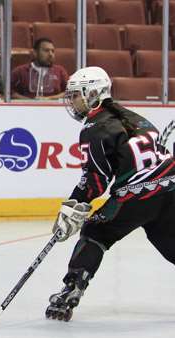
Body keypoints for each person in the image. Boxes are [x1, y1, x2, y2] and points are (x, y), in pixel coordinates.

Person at [45, 66, 175, 322]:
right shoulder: (136, 117)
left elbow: (95, 181)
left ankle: (71, 289)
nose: (71, 101)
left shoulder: (94, 129)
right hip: (171, 186)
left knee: (95, 232)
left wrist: (73, 205)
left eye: (75, 95)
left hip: (137, 195)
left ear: (92, 93)